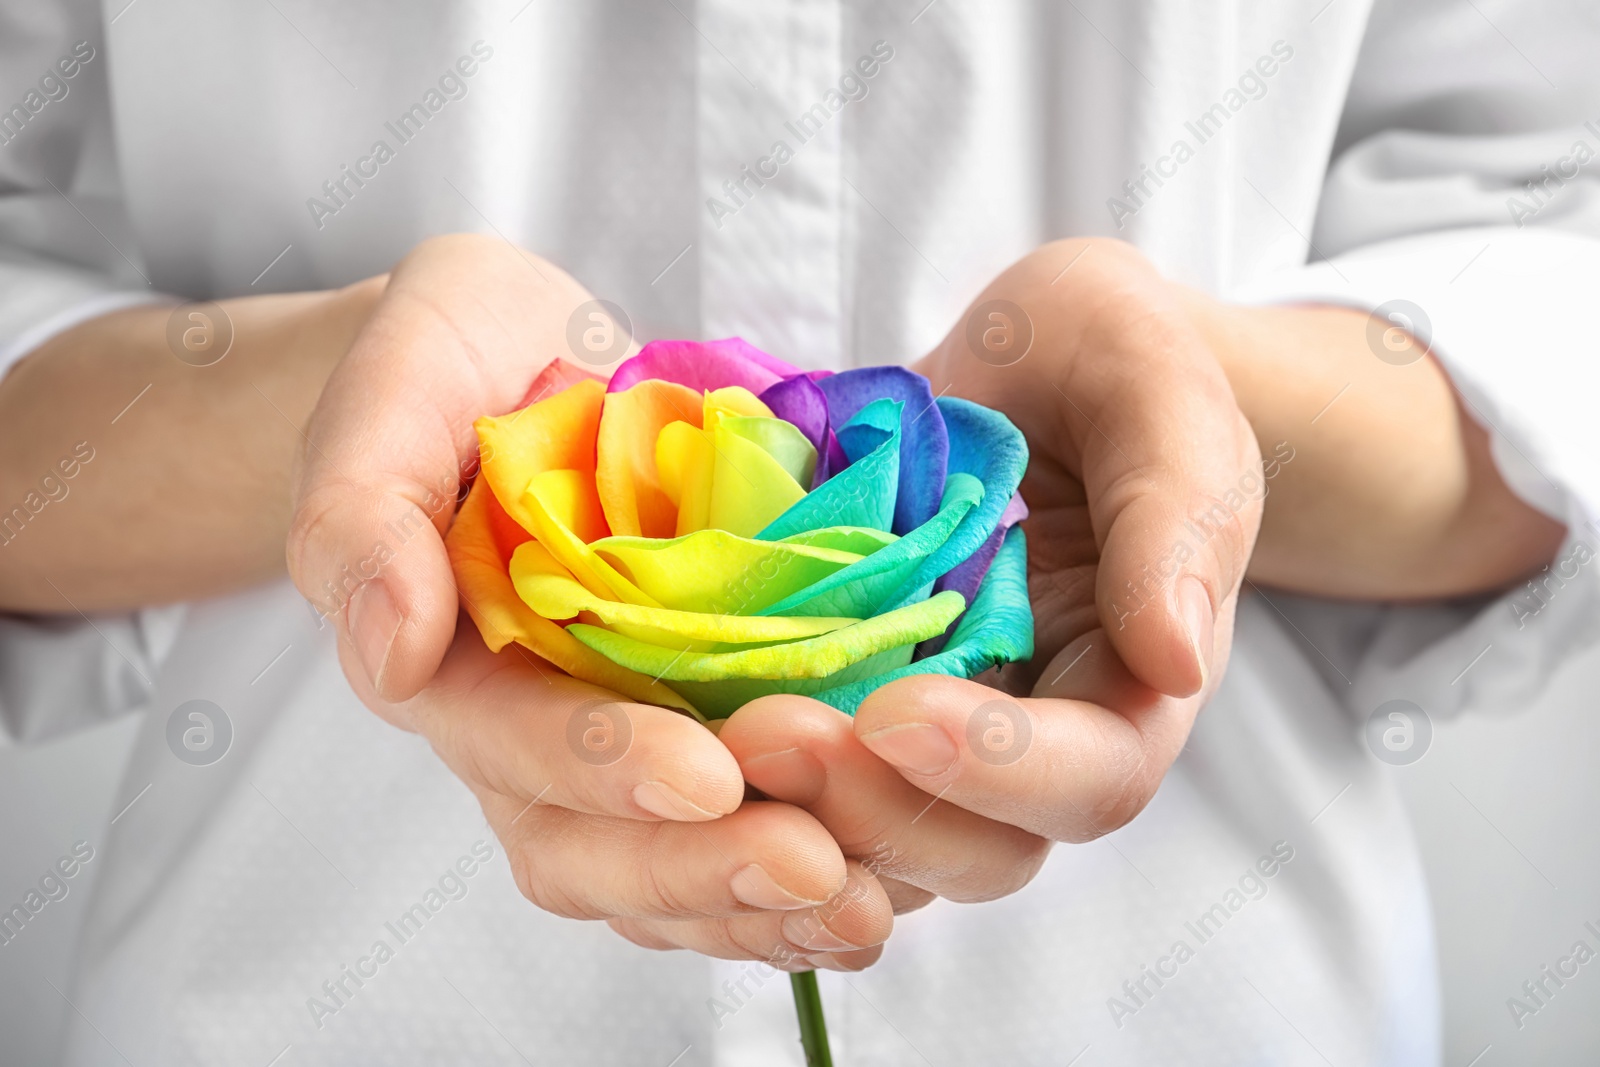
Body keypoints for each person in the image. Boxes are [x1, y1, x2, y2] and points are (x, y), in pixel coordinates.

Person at [1, 1, 1596, 1063]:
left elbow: (1552, 271)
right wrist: (324, 416)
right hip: (315, 998)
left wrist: (1196, 424)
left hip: (1189, 999)